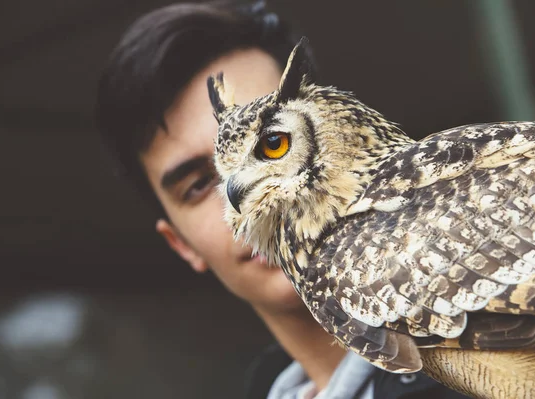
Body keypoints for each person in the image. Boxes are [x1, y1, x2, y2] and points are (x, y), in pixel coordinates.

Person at [95, 1, 469, 398]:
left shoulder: (492, 350)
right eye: (201, 184)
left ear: (338, 131)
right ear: (180, 243)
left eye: (274, 144)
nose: (255, 194)